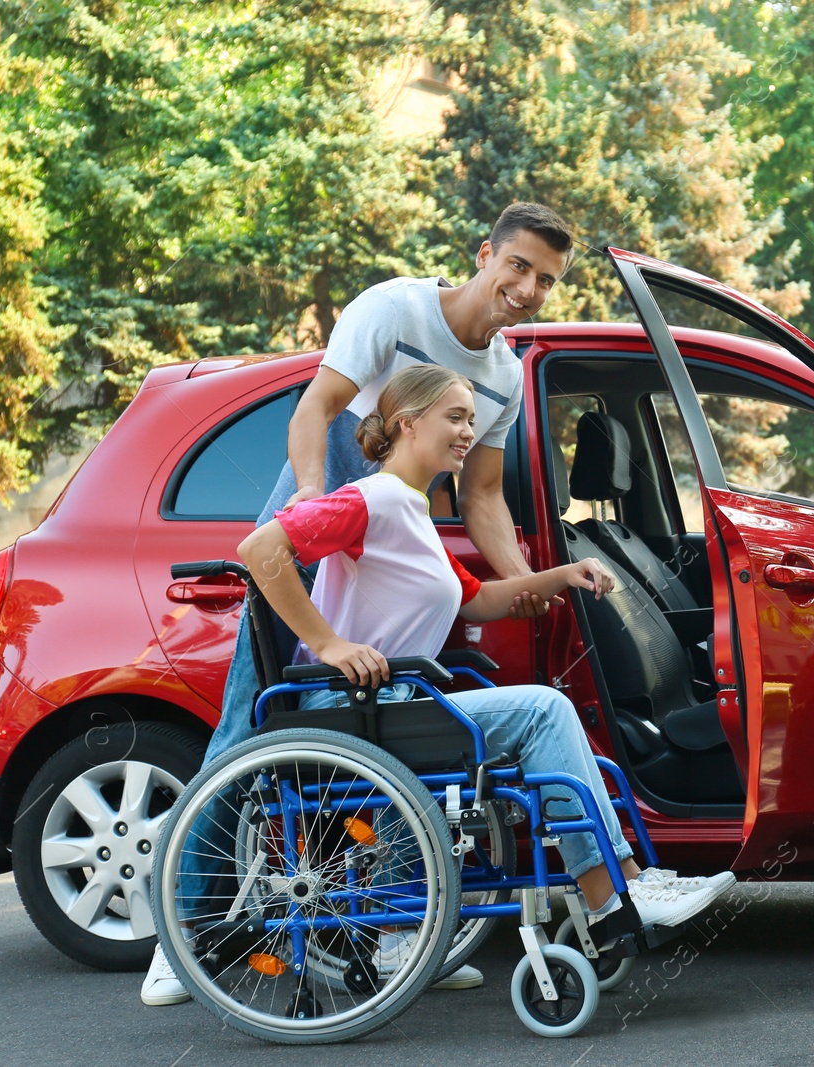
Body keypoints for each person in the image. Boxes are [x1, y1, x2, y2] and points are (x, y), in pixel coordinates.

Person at [143, 202, 576, 1006]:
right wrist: (312, 499)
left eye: (546, 280)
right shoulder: (396, 308)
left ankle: (409, 937)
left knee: (410, 740)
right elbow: (316, 409)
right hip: (318, 526)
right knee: (251, 727)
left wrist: (527, 590)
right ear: (485, 254)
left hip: (389, 555)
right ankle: (179, 934)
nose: (527, 288)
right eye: (518, 266)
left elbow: (483, 497)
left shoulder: (503, 374)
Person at [250, 367, 735, 966]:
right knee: (543, 709)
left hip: (393, 704)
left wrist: (563, 576)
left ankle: (408, 942)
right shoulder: (369, 500)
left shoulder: (412, 511)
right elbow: (261, 549)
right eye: (455, 418)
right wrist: (329, 645)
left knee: (541, 715)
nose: (467, 434)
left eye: (472, 422)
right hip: (352, 707)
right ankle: (612, 890)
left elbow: (475, 599)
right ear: (408, 424)